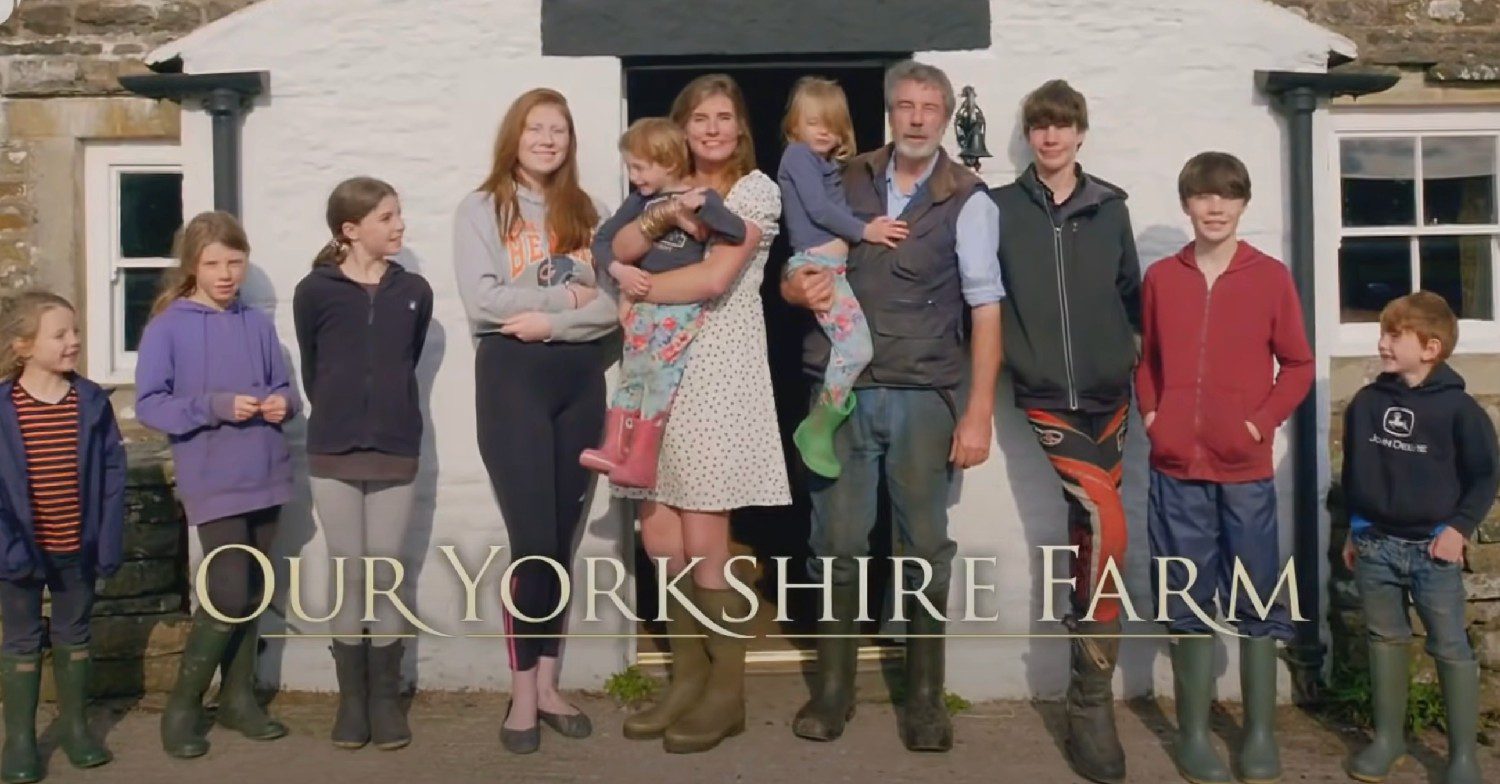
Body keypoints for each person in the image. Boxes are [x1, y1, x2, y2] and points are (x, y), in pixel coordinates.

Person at [782, 59, 1003, 752]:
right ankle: (835, 689)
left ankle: (927, 697)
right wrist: (797, 292)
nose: (915, 117)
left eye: (928, 107)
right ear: (889, 112)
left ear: (944, 117)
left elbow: (986, 309)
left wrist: (978, 412)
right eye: (904, 105)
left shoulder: (969, 198)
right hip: (842, 392)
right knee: (836, 544)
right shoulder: (839, 176)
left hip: (923, 394)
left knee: (923, 549)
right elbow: (795, 263)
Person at [602, 73, 789, 754]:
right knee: (661, 536)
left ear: (740, 128)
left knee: (708, 536)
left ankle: (726, 692)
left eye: (723, 117)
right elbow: (612, 250)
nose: (711, 128)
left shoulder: (754, 191)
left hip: (717, 369)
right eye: (699, 118)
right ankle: (685, 677)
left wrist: (639, 289)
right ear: (680, 128)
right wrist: (624, 261)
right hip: (656, 376)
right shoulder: (656, 193)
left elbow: (714, 278)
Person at [1135, 153, 1313, 784]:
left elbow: (1298, 366)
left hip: (1245, 468)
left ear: (1243, 205)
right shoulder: (1161, 277)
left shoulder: (1270, 278)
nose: (1215, 207)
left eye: (1227, 197)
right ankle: (1191, 737)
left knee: (1258, 594)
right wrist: (1154, 415)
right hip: (1176, 466)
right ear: (1187, 203)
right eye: (1203, 196)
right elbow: (1147, 359)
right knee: (1185, 595)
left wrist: (1258, 424)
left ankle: (1259, 733)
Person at [452, 87, 617, 755]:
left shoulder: (591, 212)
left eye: (559, 130)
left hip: (578, 380)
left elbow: (613, 303)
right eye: (536, 128)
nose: (547, 139)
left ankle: (550, 685)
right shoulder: (481, 208)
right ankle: (521, 695)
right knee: (531, 540)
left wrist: (554, 319)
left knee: (564, 540)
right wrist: (565, 295)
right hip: (510, 379)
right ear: (514, 137)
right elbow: (484, 300)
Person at [989, 79, 1140, 784]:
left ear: (1081, 133)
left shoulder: (1111, 207)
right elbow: (981, 297)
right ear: (1030, 136)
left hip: (1111, 398)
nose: (1051, 137)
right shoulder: (997, 208)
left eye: (1062, 126)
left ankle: (1088, 697)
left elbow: (1131, 295)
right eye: (1040, 127)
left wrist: (1127, 356)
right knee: (1109, 524)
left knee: (1087, 536)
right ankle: (1092, 706)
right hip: (1047, 395)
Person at [136, 210, 299, 759]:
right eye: (213, 263)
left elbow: (284, 388)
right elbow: (150, 403)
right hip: (213, 476)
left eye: (235, 261)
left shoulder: (257, 323)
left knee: (253, 590)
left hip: (266, 471)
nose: (226, 273)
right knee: (227, 592)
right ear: (192, 267)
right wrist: (215, 406)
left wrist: (284, 403)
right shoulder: (168, 327)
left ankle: (238, 699)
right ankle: (183, 705)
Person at [294, 176, 432, 751]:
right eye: (386, 217)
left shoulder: (415, 291)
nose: (399, 225)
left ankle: (385, 700)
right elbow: (313, 365)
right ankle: (352, 704)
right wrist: (340, 411)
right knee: (349, 570)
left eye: (399, 214)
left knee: (387, 574)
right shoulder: (315, 292)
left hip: (396, 447)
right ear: (351, 231)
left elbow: (408, 358)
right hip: (333, 447)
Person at [1340, 292, 1495, 784]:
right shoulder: (1366, 404)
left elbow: (1486, 476)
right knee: (1385, 639)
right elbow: (1356, 474)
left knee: (1450, 647)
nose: (1382, 343)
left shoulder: (1460, 411)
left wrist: (1459, 528)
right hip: (1374, 548)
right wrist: (1352, 528)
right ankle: (1388, 742)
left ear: (1430, 348)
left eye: (1393, 335)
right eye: (1382, 333)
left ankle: (1462, 757)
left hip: (1434, 550)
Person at [579, 117, 747, 486]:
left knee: (660, 375)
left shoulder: (703, 195)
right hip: (642, 305)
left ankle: (642, 460)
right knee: (633, 372)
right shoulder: (640, 201)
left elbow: (736, 231)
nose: (634, 176)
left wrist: (701, 206)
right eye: (630, 168)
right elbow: (602, 241)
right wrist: (620, 272)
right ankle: (614, 447)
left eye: (639, 167)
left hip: (679, 307)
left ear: (668, 163)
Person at [0, 292, 123, 783]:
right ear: (22, 346)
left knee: (75, 634)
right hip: (17, 551)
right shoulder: (3, 408)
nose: (73, 342)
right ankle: (21, 742)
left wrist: (107, 539)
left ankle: (74, 728)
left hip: (78, 546)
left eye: (75, 332)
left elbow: (113, 477)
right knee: (22, 640)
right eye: (60, 335)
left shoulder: (91, 403)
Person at [776, 75, 907, 478]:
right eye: (814, 122)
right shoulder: (797, 156)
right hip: (817, 268)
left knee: (854, 347)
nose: (824, 131)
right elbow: (818, 209)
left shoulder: (824, 164)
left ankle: (821, 424)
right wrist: (866, 230)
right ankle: (818, 427)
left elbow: (836, 211)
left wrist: (869, 223)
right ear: (796, 124)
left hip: (833, 269)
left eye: (832, 124)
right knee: (855, 349)